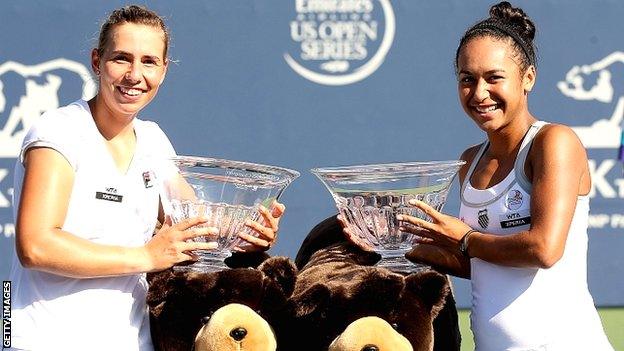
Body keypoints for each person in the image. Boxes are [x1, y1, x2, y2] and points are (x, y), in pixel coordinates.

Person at [8, 5, 284, 351]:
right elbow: (36, 246)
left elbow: (196, 229)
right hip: (45, 340)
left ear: (164, 70)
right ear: (97, 62)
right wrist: (147, 257)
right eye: (121, 58)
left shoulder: (153, 139)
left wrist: (247, 236)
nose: (134, 75)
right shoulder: (59, 131)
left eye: (149, 61)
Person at [389, 2, 614, 350]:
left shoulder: (554, 142)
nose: (479, 94)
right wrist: (403, 245)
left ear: (528, 78)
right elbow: (482, 266)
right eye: (467, 79)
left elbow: (543, 249)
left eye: (494, 78)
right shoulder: (470, 161)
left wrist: (465, 239)